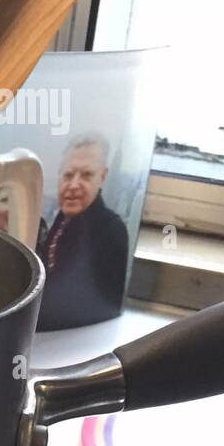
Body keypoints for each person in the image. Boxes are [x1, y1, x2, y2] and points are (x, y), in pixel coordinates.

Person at [35, 133, 130, 331]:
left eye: (86, 175)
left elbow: (78, 305)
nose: (74, 185)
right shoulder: (64, 218)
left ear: (102, 177)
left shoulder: (110, 230)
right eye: (68, 175)